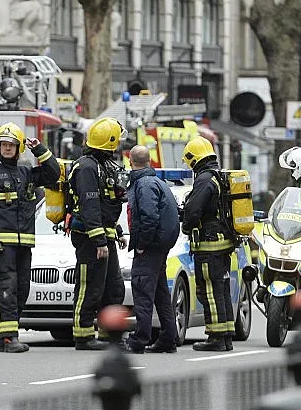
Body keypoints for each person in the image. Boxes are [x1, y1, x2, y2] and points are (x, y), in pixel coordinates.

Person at [0, 122, 60, 353]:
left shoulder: (26, 173)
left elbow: (53, 173)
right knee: (7, 289)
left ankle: (3, 336)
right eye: (4, 144)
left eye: (12, 144)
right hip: (1, 245)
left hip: (24, 244)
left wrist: (39, 149)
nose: (7, 148)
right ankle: (10, 338)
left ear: (19, 147)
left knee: (22, 288)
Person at [67, 117, 129, 351]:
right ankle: (83, 335)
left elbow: (107, 204)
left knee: (113, 287)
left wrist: (117, 231)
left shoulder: (103, 166)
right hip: (89, 238)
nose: (120, 147)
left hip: (105, 236)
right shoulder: (86, 168)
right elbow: (90, 206)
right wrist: (99, 240)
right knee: (89, 285)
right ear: (109, 143)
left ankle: (108, 333)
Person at [122, 145, 181, 354]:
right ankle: (168, 338)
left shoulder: (144, 184)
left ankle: (140, 339)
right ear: (149, 162)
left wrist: (142, 245)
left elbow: (148, 217)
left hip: (150, 247)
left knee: (142, 290)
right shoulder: (157, 181)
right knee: (160, 293)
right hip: (161, 247)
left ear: (130, 161)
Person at [181, 136, 236, 352]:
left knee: (209, 291)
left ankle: (216, 337)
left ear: (194, 160)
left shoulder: (204, 179)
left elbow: (194, 211)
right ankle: (226, 335)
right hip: (222, 243)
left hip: (208, 245)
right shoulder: (218, 177)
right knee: (221, 289)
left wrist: (186, 225)